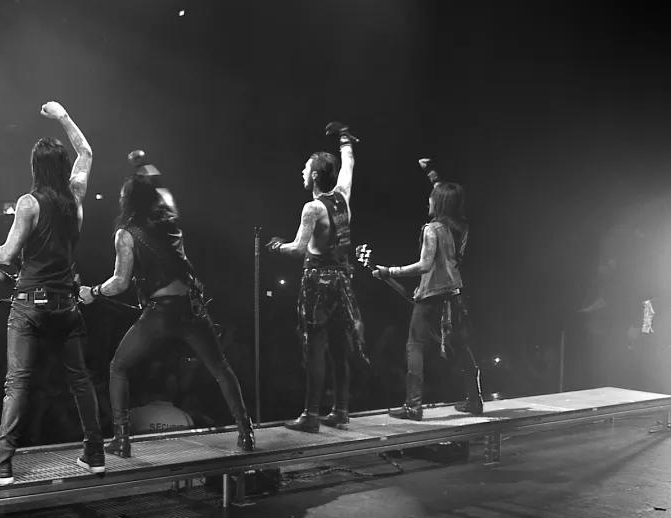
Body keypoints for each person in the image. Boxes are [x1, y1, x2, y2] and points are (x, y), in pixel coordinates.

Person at [0, 101, 104, 485]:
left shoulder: (29, 204)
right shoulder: (75, 197)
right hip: (67, 305)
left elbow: (7, 254)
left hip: (31, 306)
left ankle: (1, 464)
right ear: (63, 168)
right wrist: (64, 116)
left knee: (17, 383)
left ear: (35, 169)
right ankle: (95, 453)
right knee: (80, 378)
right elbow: (87, 152)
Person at [80, 152, 254, 457]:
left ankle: (121, 440)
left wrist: (93, 291)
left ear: (128, 201)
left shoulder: (126, 234)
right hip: (191, 308)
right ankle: (246, 432)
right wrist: (140, 164)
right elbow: (161, 185)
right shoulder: (171, 217)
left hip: (160, 314)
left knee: (118, 367)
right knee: (221, 369)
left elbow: (119, 283)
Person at [267, 123, 367, 432]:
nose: (301, 171)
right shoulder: (343, 197)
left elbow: (298, 249)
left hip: (318, 283)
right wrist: (345, 142)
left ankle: (311, 415)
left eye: (304, 168)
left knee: (314, 347)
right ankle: (340, 410)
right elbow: (348, 166)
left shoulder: (312, 208)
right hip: (342, 280)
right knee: (339, 347)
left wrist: (276, 247)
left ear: (313, 176)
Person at [372, 181, 483, 420]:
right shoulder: (461, 227)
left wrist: (390, 271)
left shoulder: (431, 229)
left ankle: (413, 406)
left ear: (440, 202)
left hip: (431, 295)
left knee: (415, 346)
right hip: (454, 294)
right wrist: (431, 172)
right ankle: (475, 400)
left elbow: (424, 265)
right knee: (461, 346)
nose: (428, 201)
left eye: (432, 197)